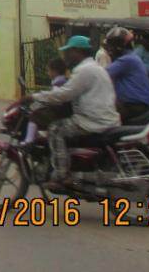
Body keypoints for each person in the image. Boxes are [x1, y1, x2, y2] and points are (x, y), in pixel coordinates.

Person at [26, 35, 120, 188]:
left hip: (92, 121)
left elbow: (63, 94)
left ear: (77, 52)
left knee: (55, 129)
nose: (65, 57)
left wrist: (34, 97)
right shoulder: (96, 68)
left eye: (68, 52)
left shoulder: (84, 70)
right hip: (107, 118)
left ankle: (62, 175)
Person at [104, 27, 149, 123]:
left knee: (103, 117)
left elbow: (102, 75)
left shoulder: (127, 60)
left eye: (111, 45)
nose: (109, 49)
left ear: (119, 45)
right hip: (138, 105)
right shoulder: (131, 57)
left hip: (134, 106)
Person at [23, 57, 69, 144]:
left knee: (34, 115)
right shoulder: (65, 80)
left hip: (59, 112)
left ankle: (28, 141)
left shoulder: (59, 82)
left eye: (49, 70)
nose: (48, 73)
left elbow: (52, 97)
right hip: (65, 111)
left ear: (55, 71)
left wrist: (35, 98)